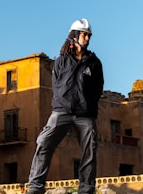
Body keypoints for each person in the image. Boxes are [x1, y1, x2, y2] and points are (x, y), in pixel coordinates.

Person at [27, 18, 104, 194]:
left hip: (86, 114)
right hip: (62, 111)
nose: (87, 38)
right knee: (43, 142)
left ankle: (86, 189)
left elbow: (98, 87)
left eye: (89, 35)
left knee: (89, 151)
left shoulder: (94, 62)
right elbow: (56, 85)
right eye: (84, 34)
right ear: (74, 35)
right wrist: (63, 102)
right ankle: (35, 187)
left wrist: (89, 104)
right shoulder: (61, 60)